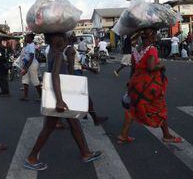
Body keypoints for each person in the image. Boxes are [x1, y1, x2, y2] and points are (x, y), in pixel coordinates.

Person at [24, 33, 102, 171]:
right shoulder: (58, 54)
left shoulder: (53, 52)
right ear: (54, 39)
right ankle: (31, 158)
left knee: (74, 123)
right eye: (62, 36)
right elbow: (55, 76)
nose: (65, 39)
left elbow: (61, 73)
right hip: (59, 96)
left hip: (61, 94)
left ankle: (85, 153)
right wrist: (59, 101)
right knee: (49, 127)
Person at [118, 28, 182, 144]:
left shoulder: (136, 50)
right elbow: (151, 67)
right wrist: (161, 66)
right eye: (155, 35)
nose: (156, 37)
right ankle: (167, 135)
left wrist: (130, 84)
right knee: (160, 108)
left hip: (136, 84)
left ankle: (123, 135)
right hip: (149, 86)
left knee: (132, 109)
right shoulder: (152, 49)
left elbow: (133, 69)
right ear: (151, 36)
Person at [20, 33, 42, 101]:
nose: (25, 39)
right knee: (25, 80)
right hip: (27, 64)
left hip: (32, 65)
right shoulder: (28, 45)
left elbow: (31, 57)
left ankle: (41, 97)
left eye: (26, 37)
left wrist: (26, 68)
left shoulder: (31, 46)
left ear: (30, 38)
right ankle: (25, 96)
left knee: (35, 80)